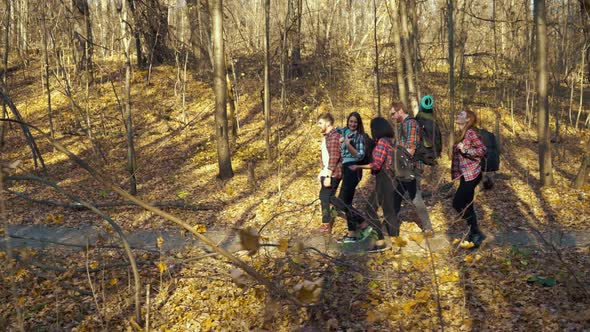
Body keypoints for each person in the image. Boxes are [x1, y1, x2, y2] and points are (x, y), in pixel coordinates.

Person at [350, 117, 398, 252]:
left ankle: (384, 242)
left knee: (375, 210)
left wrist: (358, 167)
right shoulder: (390, 141)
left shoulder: (383, 142)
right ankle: (389, 242)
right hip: (387, 179)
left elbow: (376, 164)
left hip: (385, 179)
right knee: (385, 211)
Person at [389, 103, 434, 236]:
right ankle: (391, 223)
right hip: (404, 168)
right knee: (396, 194)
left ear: (400, 110)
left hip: (411, 168)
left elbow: (411, 147)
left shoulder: (410, 124)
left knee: (415, 197)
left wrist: (402, 166)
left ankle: (428, 228)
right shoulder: (404, 124)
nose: (392, 117)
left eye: (393, 113)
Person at [452, 110, 487, 247]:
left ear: (468, 119)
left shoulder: (471, 132)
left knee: (457, 203)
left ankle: (475, 231)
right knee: (468, 204)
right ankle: (476, 233)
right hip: (465, 174)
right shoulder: (462, 134)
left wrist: (466, 150)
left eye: (461, 114)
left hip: (472, 174)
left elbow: (482, 150)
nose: (457, 115)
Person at [336, 112, 367, 243]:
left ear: (358, 124)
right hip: (346, 168)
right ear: (347, 121)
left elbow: (360, 155)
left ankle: (353, 232)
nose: (352, 124)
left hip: (354, 169)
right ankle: (359, 223)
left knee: (344, 202)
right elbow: (337, 129)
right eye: (351, 121)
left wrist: (348, 144)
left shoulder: (359, 136)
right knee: (343, 202)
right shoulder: (345, 132)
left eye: (355, 122)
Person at [316, 113, 342, 234]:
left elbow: (334, 157)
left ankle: (358, 219)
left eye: (320, 123)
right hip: (328, 172)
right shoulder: (327, 137)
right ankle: (326, 224)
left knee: (326, 197)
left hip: (332, 174)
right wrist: (322, 171)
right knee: (326, 197)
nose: (318, 125)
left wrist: (328, 176)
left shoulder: (334, 136)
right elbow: (326, 157)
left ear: (327, 123)